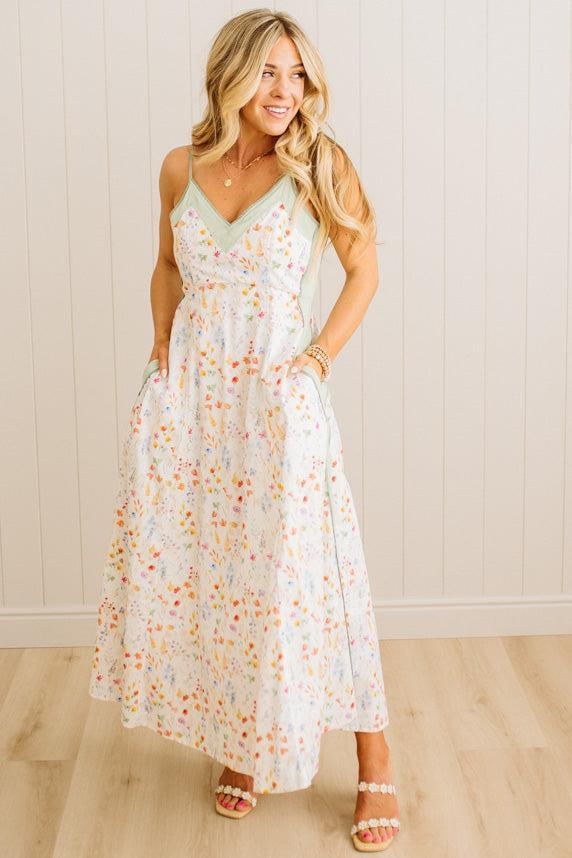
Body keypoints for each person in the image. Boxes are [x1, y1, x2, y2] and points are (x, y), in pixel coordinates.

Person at [88, 8, 400, 852]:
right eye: (268, 72)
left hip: (277, 400)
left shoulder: (317, 165)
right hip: (194, 402)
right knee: (225, 576)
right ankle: (244, 743)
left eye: (297, 75)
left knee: (313, 572)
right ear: (229, 74)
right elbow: (165, 264)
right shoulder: (178, 168)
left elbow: (364, 265)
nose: (285, 91)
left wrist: (319, 359)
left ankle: (375, 758)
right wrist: (160, 342)